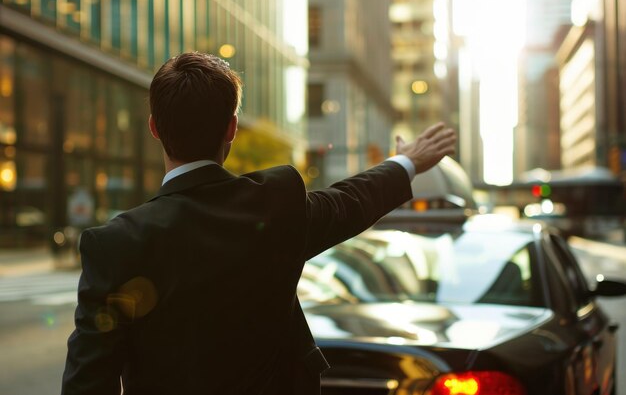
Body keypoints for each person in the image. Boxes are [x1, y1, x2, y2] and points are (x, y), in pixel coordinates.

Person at [61, 52, 456, 395]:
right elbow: (349, 202)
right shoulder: (274, 206)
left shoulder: (115, 244)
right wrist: (407, 162)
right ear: (231, 128)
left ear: (154, 128)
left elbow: (88, 381)